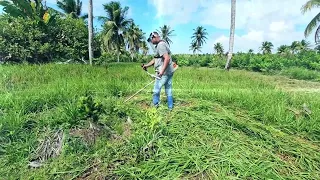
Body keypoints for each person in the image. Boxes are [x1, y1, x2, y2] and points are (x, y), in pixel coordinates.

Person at [143, 32, 175, 110]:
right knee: (168, 90)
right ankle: (170, 108)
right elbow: (156, 59)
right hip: (169, 72)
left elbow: (166, 58)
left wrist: (161, 72)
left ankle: (155, 106)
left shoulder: (160, 45)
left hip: (163, 73)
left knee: (156, 90)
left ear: (154, 37)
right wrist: (146, 65)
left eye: (151, 40)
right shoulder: (162, 44)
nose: (151, 42)